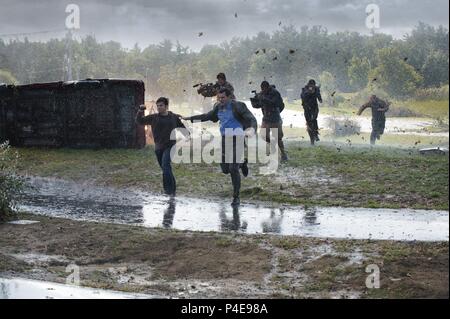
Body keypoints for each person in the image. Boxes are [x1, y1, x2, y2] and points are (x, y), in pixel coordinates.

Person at [182, 88, 257, 206]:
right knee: (225, 169)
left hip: (238, 138)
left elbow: (251, 119)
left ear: (229, 96)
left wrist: (251, 130)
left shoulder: (238, 106)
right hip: (224, 140)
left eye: (223, 98)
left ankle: (236, 197)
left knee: (232, 168)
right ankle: (242, 164)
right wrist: (190, 118)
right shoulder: (218, 107)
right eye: (219, 98)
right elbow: (207, 116)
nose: (221, 100)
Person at [135, 97, 188, 196]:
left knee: (165, 165)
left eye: (161, 105)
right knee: (165, 168)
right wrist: (140, 110)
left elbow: (181, 126)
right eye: (158, 106)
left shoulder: (173, 117)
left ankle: (169, 191)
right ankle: (172, 189)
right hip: (159, 147)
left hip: (170, 146)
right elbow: (140, 121)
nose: (159, 107)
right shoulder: (154, 117)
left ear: (166, 106)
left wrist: (187, 135)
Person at [251, 81, 288, 161]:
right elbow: (258, 105)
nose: (263, 90)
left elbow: (276, 103)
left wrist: (263, 98)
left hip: (275, 118)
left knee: (278, 138)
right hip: (266, 118)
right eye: (262, 89)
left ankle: (283, 154)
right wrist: (254, 100)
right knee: (263, 135)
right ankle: (272, 146)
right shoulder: (262, 93)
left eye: (264, 89)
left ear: (267, 87)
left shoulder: (275, 93)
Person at [301, 79, 322, 145]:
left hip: (314, 108)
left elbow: (318, 95)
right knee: (309, 123)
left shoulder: (316, 89)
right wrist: (310, 92)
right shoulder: (304, 89)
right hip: (307, 108)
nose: (312, 86)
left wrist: (319, 98)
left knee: (314, 120)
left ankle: (315, 135)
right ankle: (312, 141)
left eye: (313, 85)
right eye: (311, 85)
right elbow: (303, 96)